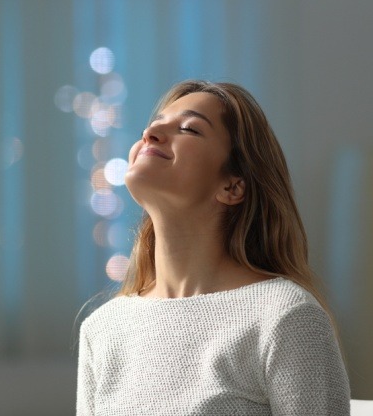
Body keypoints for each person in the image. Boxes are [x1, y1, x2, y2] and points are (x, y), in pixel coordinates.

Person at [76, 80, 350, 415]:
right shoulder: (103, 328)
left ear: (233, 186)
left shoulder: (284, 317)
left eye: (189, 129)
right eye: (154, 123)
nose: (152, 132)